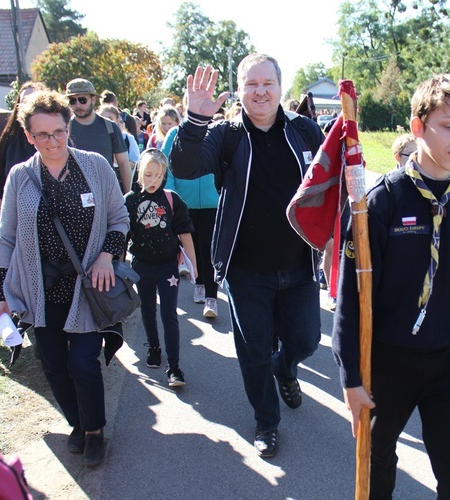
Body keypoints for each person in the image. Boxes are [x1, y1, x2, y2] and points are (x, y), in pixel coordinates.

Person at [332, 74, 450, 498]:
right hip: (387, 360)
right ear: (418, 126)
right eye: (449, 125)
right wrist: (351, 374)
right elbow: (352, 299)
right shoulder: (379, 204)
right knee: (375, 462)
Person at [169, 55, 324, 458]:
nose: (260, 91)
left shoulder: (305, 130)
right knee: (253, 349)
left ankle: (286, 367)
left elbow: (333, 179)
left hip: (299, 266)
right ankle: (266, 422)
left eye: (267, 83)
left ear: (280, 86)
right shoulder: (226, 134)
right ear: (240, 90)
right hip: (245, 269)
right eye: (251, 83)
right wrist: (194, 119)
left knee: (305, 340)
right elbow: (183, 167)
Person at [0, 90, 129, 468]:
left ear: (69, 129)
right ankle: (77, 423)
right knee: (53, 363)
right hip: (39, 289)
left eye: (59, 132)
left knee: (83, 361)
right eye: (42, 135)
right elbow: (6, 237)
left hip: (87, 287)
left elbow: (119, 218)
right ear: (28, 136)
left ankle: (95, 430)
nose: (52, 142)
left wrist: (104, 257)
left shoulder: (95, 167)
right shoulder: (20, 176)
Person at [125, 149, 196, 387]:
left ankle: (174, 367)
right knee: (147, 310)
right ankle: (153, 347)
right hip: (141, 267)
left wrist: (194, 265)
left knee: (169, 315)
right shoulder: (130, 200)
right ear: (139, 174)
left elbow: (184, 233)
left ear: (164, 174)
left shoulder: (172, 199)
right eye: (147, 175)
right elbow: (122, 233)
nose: (152, 180)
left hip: (168, 268)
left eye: (157, 175)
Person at [162, 126, 221, 318]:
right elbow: (166, 165)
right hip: (184, 201)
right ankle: (199, 283)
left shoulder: (217, 131)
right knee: (191, 246)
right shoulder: (175, 133)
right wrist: (172, 196)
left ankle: (212, 298)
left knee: (209, 248)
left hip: (213, 201)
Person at [0, 81, 47, 228]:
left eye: (33, 100)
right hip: (17, 217)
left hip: (52, 216)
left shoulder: (56, 137)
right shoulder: (10, 137)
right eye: (24, 101)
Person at [65, 78, 132, 193]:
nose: (77, 105)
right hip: (74, 197)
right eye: (72, 101)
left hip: (106, 192)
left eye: (82, 100)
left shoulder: (110, 127)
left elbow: (123, 164)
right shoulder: (64, 128)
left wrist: (129, 198)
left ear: (93, 99)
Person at [98, 104, 139, 168]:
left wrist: (118, 160)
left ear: (117, 120)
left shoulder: (128, 139)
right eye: (102, 119)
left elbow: (136, 163)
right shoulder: (95, 139)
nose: (105, 122)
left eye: (110, 119)